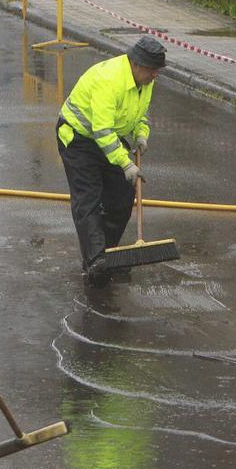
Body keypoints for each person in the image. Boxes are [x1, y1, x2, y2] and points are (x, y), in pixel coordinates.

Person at [57, 35, 165, 286]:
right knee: (88, 199)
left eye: (157, 71)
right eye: (152, 70)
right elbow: (101, 130)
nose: (155, 76)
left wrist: (141, 134)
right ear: (136, 64)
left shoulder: (145, 80)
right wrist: (126, 163)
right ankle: (95, 261)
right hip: (78, 138)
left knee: (122, 196)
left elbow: (141, 112)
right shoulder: (109, 80)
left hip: (108, 139)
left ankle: (108, 254)